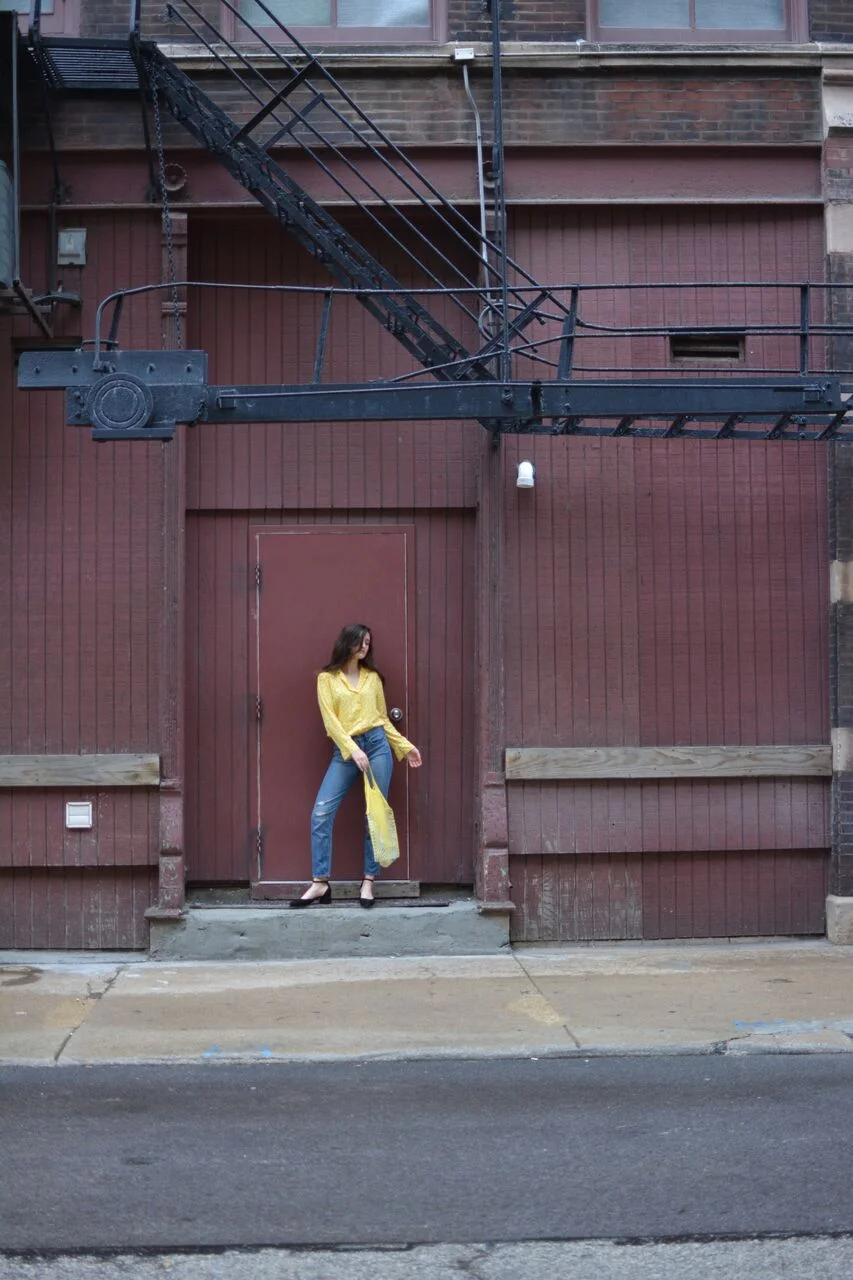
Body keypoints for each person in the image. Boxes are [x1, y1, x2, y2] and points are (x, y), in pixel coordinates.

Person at [290, 624, 422, 910]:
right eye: (360, 641)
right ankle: (320, 882)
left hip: (377, 746)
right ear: (347, 642)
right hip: (347, 751)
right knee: (321, 813)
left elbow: (382, 719)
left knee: (375, 814)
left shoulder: (372, 678)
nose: (364, 647)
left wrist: (404, 746)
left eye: (368, 643)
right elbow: (331, 722)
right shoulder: (327, 679)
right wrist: (353, 750)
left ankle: (368, 881)